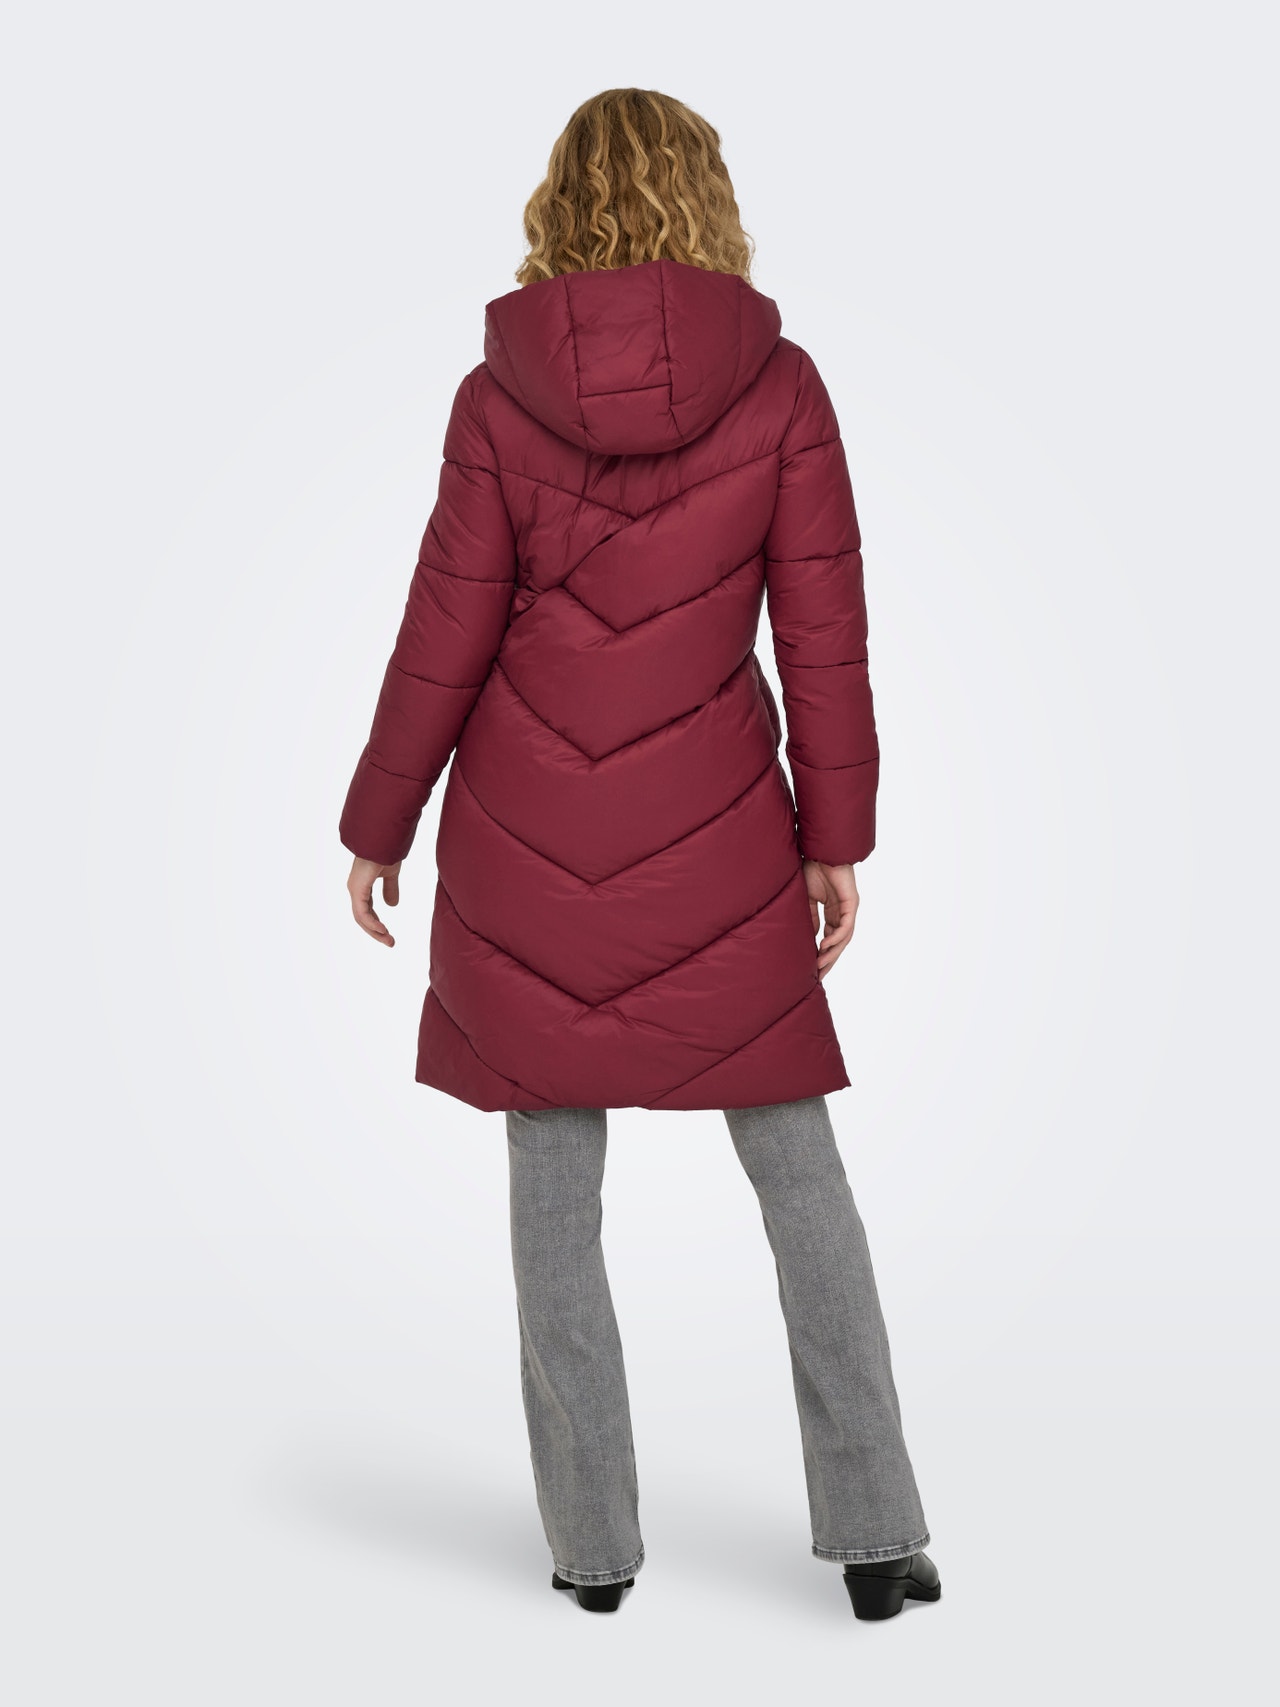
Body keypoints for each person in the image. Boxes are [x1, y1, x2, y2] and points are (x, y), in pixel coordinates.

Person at [339, 87, 939, 1621]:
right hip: (720, 839)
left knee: (553, 1183)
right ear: (706, 199)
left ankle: (591, 1553)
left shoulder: (497, 399)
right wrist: (836, 840)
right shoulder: (781, 385)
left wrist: (379, 822)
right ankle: (879, 1537)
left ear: (561, 206)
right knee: (798, 1173)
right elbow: (824, 634)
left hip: (526, 842)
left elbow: (443, 632)